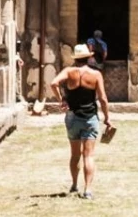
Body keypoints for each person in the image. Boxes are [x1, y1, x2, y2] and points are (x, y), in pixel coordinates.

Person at [49, 43, 111, 199]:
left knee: (75, 154)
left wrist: (61, 100)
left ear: (76, 58)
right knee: (88, 156)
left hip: (72, 116)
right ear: (89, 57)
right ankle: (88, 190)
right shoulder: (96, 74)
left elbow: (53, 83)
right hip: (89, 117)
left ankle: (75, 185)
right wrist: (107, 118)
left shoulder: (69, 72)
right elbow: (103, 98)